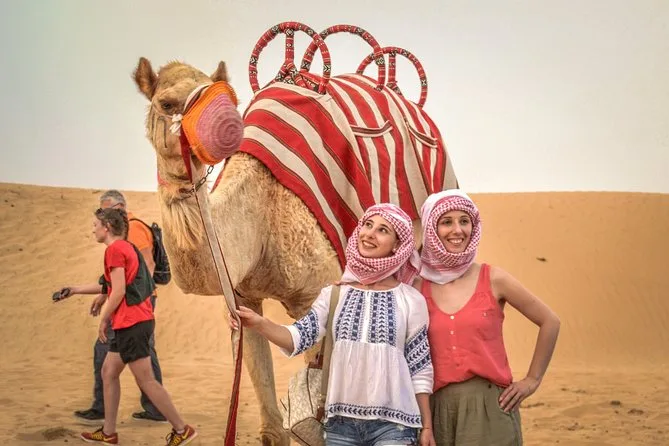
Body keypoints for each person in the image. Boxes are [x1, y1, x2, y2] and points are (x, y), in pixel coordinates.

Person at [232, 203, 437, 446]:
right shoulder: (335, 294)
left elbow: (420, 368)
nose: (370, 234)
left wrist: (426, 426)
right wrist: (259, 323)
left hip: (395, 426)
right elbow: (298, 337)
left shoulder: (410, 300)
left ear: (397, 245)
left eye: (383, 230)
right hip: (340, 427)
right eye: (367, 225)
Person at [414, 190, 561, 446]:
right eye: (446, 222)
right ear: (431, 229)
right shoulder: (416, 286)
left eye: (464, 221)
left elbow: (550, 321)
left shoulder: (493, 278)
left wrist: (532, 380)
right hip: (434, 414)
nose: (458, 230)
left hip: (489, 410)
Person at [70, 207, 197, 445]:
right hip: (132, 322)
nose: (93, 230)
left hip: (132, 323)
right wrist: (75, 289)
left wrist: (104, 319)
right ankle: (109, 433)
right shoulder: (127, 247)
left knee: (146, 381)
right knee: (109, 372)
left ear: (107, 227)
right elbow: (112, 286)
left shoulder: (115, 250)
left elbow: (118, 291)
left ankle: (182, 429)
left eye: (96, 225)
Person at [58, 190, 166, 424]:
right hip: (136, 302)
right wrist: (103, 293)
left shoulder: (134, 228)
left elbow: (146, 265)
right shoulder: (125, 232)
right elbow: (122, 275)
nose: (103, 215)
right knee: (144, 353)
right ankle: (155, 410)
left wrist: (134, 297)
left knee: (106, 348)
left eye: (106, 210)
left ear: (119, 207)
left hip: (135, 304)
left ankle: (103, 409)